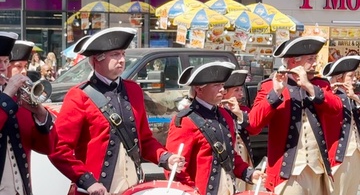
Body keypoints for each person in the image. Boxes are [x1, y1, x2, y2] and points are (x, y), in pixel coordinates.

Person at [48, 27, 185, 195]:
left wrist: (166, 158)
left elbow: (144, 140)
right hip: (96, 190)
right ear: (96, 60)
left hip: (134, 188)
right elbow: (59, 149)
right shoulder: (78, 96)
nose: (121, 60)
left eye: (123, 54)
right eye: (115, 55)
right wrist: (87, 181)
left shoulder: (133, 90)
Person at [249, 36, 343, 195]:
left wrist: (309, 87)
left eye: (315, 58)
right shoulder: (269, 86)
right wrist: (276, 93)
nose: (315, 63)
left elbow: (336, 108)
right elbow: (253, 124)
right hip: (288, 174)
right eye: (311, 59)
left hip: (318, 170)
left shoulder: (319, 85)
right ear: (294, 61)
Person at [165, 62, 265, 195]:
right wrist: (189, 190)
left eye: (223, 85)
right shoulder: (185, 121)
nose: (222, 90)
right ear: (199, 89)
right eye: (216, 85)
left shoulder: (225, 115)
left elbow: (230, 155)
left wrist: (250, 174)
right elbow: (175, 167)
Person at [0, 33, 57, 195]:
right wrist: (7, 95)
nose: (3, 67)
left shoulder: (17, 101)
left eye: (5, 61)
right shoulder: (8, 98)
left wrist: (40, 113)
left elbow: (47, 148)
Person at [322, 56, 360, 195]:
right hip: (339, 155)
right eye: (351, 76)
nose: (355, 79)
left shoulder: (354, 97)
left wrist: (355, 98)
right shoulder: (332, 97)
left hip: (356, 152)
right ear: (339, 78)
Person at [221, 69, 257, 192]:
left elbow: (255, 129)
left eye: (241, 90)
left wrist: (239, 113)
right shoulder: (216, 110)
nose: (241, 94)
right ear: (224, 92)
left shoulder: (244, 110)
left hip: (243, 158)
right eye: (236, 90)